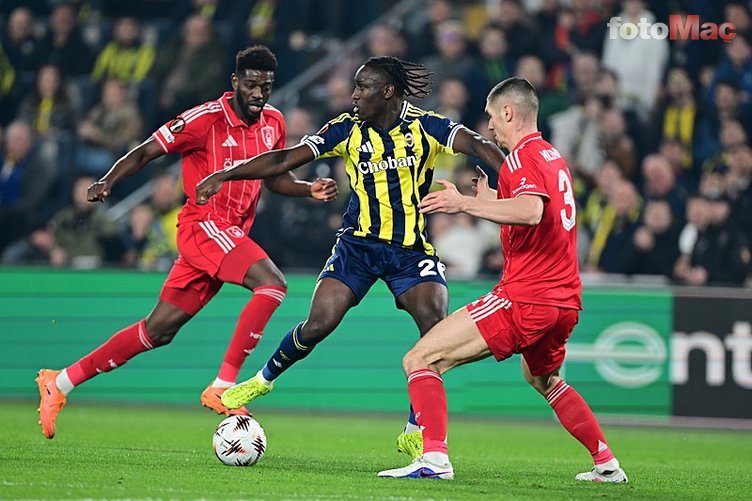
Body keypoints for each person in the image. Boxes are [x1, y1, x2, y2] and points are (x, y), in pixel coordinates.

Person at [195, 56, 504, 459]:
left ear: (388, 92)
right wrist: (226, 173)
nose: (353, 95)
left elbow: (479, 145)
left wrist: (517, 180)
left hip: (410, 250)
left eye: (362, 88)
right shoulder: (345, 128)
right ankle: (263, 379)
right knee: (318, 324)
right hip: (357, 246)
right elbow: (285, 159)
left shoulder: (426, 126)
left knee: (435, 332)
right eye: (354, 87)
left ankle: (416, 428)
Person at [35, 45, 338, 439]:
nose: (258, 94)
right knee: (272, 285)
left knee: (157, 331)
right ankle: (224, 386)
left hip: (229, 234)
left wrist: (307, 189)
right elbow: (146, 151)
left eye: (265, 86)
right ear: (235, 82)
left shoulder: (274, 122)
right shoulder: (204, 119)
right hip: (204, 225)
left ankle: (59, 382)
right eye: (251, 85)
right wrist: (108, 180)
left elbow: (276, 178)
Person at [376, 77, 628, 482]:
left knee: (420, 359)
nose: (490, 126)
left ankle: (434, 460)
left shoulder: (521, 158)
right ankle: (607, 464)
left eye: (492, 117)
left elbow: (530, 211)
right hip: (564, 302)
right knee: (543, 378)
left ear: (509, 113)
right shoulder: (550, 156)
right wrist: (490, 198)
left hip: (526, 297)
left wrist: (464, 204)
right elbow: (541, 214)